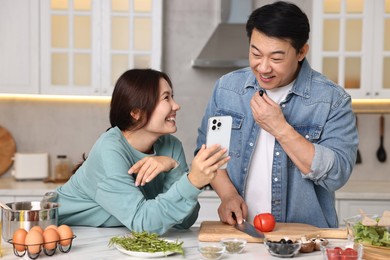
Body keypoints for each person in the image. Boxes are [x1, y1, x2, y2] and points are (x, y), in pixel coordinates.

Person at [195, 1, 358, 228]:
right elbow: (207, 154)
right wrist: (228, 195)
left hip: (306, 238)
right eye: (256, 53)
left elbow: (336, 175)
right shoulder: (227, 88)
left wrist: (280, 128)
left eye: (276, 58)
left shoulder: (332, 100)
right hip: (243, 233)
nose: (263, 67)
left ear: (301, 52)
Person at [55, 69, 229, 235]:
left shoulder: (171, 145)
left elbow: (183, 222)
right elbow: (143, 222)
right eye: (166, 98)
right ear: (137, 112)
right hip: (67, 232)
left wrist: (173, 167)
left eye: (172, 97)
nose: (176, 106)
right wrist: (192, 182)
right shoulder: (110, 149)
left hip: (113, 232)